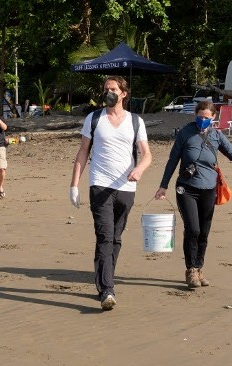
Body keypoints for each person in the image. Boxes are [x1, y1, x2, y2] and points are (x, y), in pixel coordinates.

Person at [154, 101, 232, 288]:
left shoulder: (217, 136)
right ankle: (190, 270)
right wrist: (163, 186)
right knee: (193, 230)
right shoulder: (185, 133)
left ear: (213, 118)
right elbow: (173, 160)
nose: (202, 120)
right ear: (195, 115)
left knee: (204, 232)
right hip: (186, 188)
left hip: (209, 189)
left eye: (206, 117)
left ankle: (198, 268)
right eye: (200, 116)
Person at [69, 75, 152, 311]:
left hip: (126, 187)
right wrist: (74, 184)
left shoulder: (136, 121)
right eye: (106, 89)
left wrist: (139, 169)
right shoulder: (94, 119)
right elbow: (83, 152)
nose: (109, 93)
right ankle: (107, 289)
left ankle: (103, 280)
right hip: (100, 185)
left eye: (113, 89)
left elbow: (146, 154)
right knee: (105, 235)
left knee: (116, 238)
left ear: (124, 93)